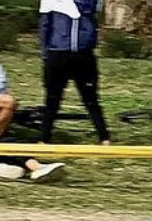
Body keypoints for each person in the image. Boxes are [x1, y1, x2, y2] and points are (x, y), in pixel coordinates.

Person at [39, 0, 111, 145]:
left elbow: (95, 18)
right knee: (53, 98)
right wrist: (46, 54)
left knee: (90, 98)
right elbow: (44, 25)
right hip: (58, 53)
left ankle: (104, 137)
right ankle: (44, 137)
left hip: (83, 54)